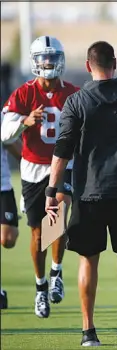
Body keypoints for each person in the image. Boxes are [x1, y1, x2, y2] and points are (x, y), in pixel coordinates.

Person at [44, 41, 117, 346]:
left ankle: (89, 331)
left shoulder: (77, 101)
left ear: (88, 66)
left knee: (88, 259)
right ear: (114, 63)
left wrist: (52, 189)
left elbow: (62, 148)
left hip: (89, 193)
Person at [0, 36, 79, 318]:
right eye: (44, 59)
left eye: (53, 58)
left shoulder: (73, 92)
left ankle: (57, 271)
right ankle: (41, 286)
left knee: (57, 213)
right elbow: (3, 132)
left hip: (62, 165)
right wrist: (24, 121)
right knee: (37, 233)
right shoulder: (23, 94)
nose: (49, 63)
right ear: (35, 62)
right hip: (33, 168)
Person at [0, 104, 22, 309]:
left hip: (2, 185)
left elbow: (9, 141)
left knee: (8, 239)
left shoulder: (1, 117)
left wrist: (30, 162)